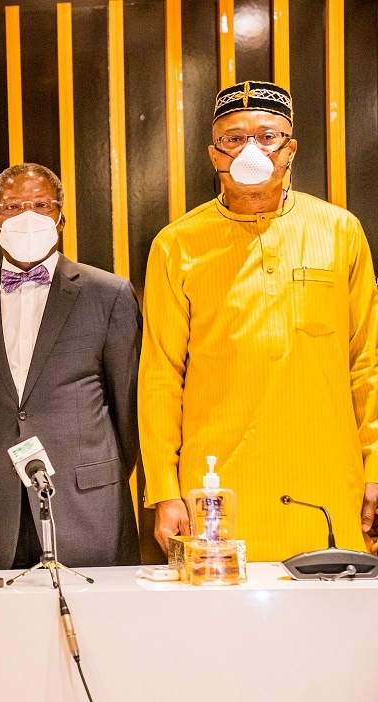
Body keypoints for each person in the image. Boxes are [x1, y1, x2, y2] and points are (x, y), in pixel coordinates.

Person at [140, 80, 378, 562]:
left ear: (290, 149)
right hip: (217, 488)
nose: (251, 149)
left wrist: (377, 468)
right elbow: (161, 375)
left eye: (267, 136)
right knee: (223, 628)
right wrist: (164, 488)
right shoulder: (177, 244)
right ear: (214, 155)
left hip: (328, 477)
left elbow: (367, 362)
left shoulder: (340, 230)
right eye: (233, 138)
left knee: (328, 625)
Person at [0, 163, 142, 570]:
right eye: (11, 207)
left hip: (87, 499)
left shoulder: (109, 294)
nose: (26, 215)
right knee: (4, 626)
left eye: (40, 204)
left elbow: (129, 407)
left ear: (61, 217)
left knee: (97, 621)